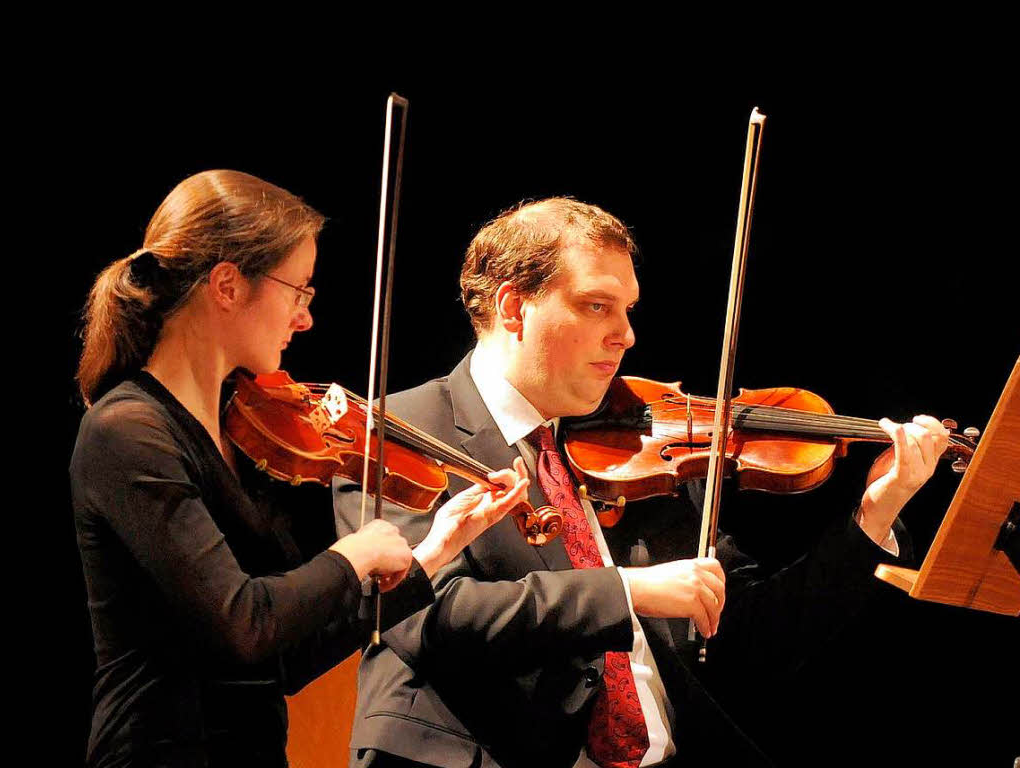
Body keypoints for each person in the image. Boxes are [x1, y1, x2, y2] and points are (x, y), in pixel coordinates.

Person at [332, 197, 950, 767]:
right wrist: (624, 590)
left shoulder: (629, 445)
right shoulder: (401, 427)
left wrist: (875, 514)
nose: (626, 334)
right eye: (596, 305)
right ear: (513, 307)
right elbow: (420, 615)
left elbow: (751, 637)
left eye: (627, 309)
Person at [70, 170, 530, 768]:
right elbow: (246, 624)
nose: (305, 318)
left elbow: (284, 658)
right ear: (228, 285)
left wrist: (430, 556)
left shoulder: (241, 428)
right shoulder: (128, 431)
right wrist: (354, 556)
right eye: (299, 291)